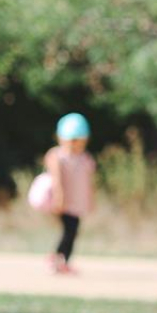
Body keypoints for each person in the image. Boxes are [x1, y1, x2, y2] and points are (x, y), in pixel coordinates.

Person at [45, 113, 96, 275]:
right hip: (64, 203)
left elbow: (88, 182)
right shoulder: (58, 156)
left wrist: (90, 200)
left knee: (72, 231)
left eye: (79, 141)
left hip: (77, 204)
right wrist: (59, 199)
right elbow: (57, 180)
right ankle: (59, 258)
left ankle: (60, 259)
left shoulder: (85, 159)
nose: (76, 145)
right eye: (72, 140)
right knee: (70, 231)